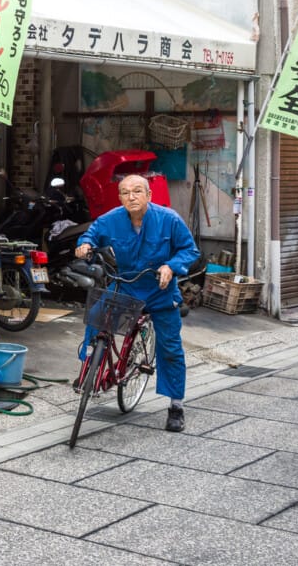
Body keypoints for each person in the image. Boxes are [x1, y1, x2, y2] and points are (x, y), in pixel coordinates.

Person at [74, 174, 199, 433]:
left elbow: (190, 250)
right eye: (125, 192)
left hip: (160, 291)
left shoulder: (169, 219)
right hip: (126, 285)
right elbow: (91, 235)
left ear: (149, 195)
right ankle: (89, 365)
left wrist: (171, 266)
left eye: (138, 191)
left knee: (170, 347)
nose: (132, 196)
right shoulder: (110, 220)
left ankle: (176, 405)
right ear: (119, 197)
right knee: (96, 317)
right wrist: (84, 245)